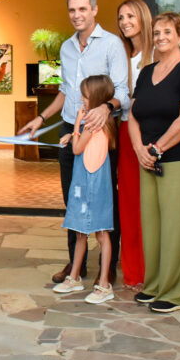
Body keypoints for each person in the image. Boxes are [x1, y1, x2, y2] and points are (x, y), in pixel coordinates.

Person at [19, 0, 129, 287]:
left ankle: (109, 268)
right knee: (73, 199)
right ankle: (75, 266)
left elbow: (122, 92)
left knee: (104, 200)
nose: (77, 15)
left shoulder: (112, 44)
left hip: (101, 133)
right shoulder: (66, 48)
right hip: (70, 129)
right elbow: (66, 92)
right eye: (72, 10)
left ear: (94, 10)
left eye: (82, 9)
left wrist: (106, 109)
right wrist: (41, 118)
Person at [127, 11, 180, 313]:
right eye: (157, 33)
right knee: (153, 225)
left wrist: (157, 149)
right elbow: (134, 115)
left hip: (179, 158)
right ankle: (155, 285)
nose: (161, 38)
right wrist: (139, 149)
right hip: (147, 158)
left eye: (167, 32)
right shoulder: (147, 72)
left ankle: (175, 293)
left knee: (176, 225)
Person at [54, 75, 117, 304]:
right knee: (81, 232)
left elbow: (78, 149)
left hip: (92, 186)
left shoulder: (91, 123)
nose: (81, 99)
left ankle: (104, 284)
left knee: (101, 234)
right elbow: (81, 143)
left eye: (85, 96)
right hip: (85, 185)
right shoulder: (99, 124)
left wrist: (77, 125)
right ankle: (74, 277)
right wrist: (72, 134)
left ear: (95, 98)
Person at [114, 0, 153, 292]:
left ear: (142, 17)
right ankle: (133, 271)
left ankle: (155, 269)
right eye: (121, 17)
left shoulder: (158, 55)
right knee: (129, 201)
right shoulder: (122, 57)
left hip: (155, 133)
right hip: (127, 131)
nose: (125, 21)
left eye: (130, 15)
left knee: (152, 204)